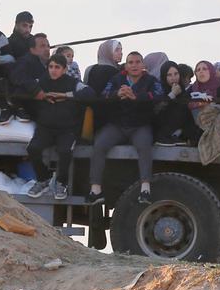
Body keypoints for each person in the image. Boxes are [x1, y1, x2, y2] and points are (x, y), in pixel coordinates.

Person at [91, 52, 163, 205]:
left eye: (137, 62)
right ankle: (95, 190)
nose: (134, 65)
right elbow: (104, 95)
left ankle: (145, 188)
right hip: (117, 126)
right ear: (126, 65)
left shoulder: (151, 80)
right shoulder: (117, 79)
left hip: (140, 126)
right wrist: (118, 93)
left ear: (143, 65)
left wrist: (136, 96)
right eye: (131, 62)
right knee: (99, 145)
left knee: (144, 146)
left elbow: (159, 96)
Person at [24, 54, 96, 199]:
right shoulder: (41, 82)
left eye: (57, 67)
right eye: (51, 67)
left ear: (64, 69)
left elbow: (90, 93)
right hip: (45, 128)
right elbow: (25, 86)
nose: (53, 70)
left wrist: (66, 95)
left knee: (64, 151)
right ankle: (43, 179)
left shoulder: (73, 82)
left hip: (68, 129)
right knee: (33, 148)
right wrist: (41, 94)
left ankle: (61, 183)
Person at [153, 61, 198, 146]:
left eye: (176, 74)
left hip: (179, 130)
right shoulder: (158, 89)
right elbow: (157, 110)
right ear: (164, 76)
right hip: (161, 129)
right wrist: (172, 94)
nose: (173, 78)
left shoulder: (183, 90)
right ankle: (165, 136)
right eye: (169, 75)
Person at [8, 33, 51, 121]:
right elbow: (17, 76)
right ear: (32, 50)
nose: (47, 49)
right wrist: (36, 90)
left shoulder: (51, 65)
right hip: (31, 104)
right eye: (42, 46)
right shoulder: (25, 61)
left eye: (48, 46)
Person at [84, 39, 123, 131]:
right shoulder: (115, 72)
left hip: (91, 116)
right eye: (117, 50)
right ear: (108, 52)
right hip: (111, 119)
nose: (121, 53)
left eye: (121, 50)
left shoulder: (90, 69)